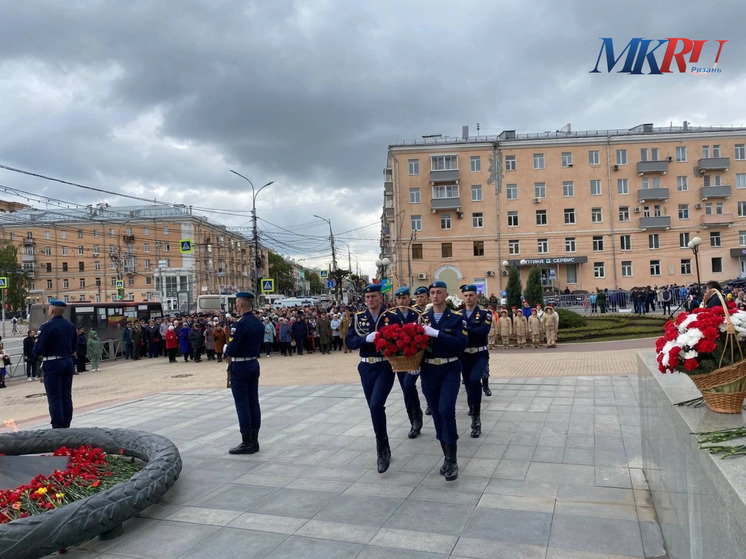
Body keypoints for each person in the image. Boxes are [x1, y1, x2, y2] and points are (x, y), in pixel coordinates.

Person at [345, 284, 402, 473]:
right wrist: (366, 339)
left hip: (384, 365)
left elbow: (402, 340)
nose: (371, 300)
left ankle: (381, 450)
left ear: (380, 298)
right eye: (368, 296)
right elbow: (350, 342)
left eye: (374, 296)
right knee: (373, 408)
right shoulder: (358, 318)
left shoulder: (391, 317)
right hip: (366, 366)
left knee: (377, 405)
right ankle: (384, 444)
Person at [419, 281, 467, 481]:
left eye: (439, 292)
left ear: (446, 294)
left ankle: (453, 459)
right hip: (429, 370)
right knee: (437, 413)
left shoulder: (456, 318)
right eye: (432, 292)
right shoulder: (422, 319)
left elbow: (461, 343)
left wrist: (437, 334)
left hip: (449, 368)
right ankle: (446, 457)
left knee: (447, 410)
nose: (436, 295)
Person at [224, 292, 265, 455]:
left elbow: (232, 349)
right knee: (253, 402)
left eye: (236, 303)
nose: (236, 305)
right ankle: (254, 440)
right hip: (253, 363)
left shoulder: (239, 324)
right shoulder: (258, 323)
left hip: (240, 366)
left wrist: (227, 348)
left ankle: (246, 441)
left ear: (240, 305)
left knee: (242, 405)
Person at [32, 299, 77, 428]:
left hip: (52, 363)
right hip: (68, 361)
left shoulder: (46, 327)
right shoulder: (70, 325)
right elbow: (74, 347)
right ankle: (67, 422)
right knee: (66, 394)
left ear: (51, 311)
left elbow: (37, 350)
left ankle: (57, 425)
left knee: (55, 396)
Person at [389, 286, 424, 439]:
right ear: (395, 300)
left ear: (409, 299)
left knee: (409, 385)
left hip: (416, 358)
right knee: (406, 389)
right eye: (399, 298)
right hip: (400, 360)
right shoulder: (390, 317)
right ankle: (413, 420)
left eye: (404, 298)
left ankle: (417, 417)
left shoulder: (417, 315)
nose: (402, 301)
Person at [459, 284, 491, 439]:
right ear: (462, 297)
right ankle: (472, 406)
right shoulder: (458, 315)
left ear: (476, 296)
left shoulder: (485, 314)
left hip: (480, 355)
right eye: (465, 295)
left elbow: (483, 332)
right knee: (468, 383)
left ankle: (476, 420)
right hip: (464, 356)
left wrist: (464, 330)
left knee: (473, 381)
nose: (468, 298)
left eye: (471, 295)